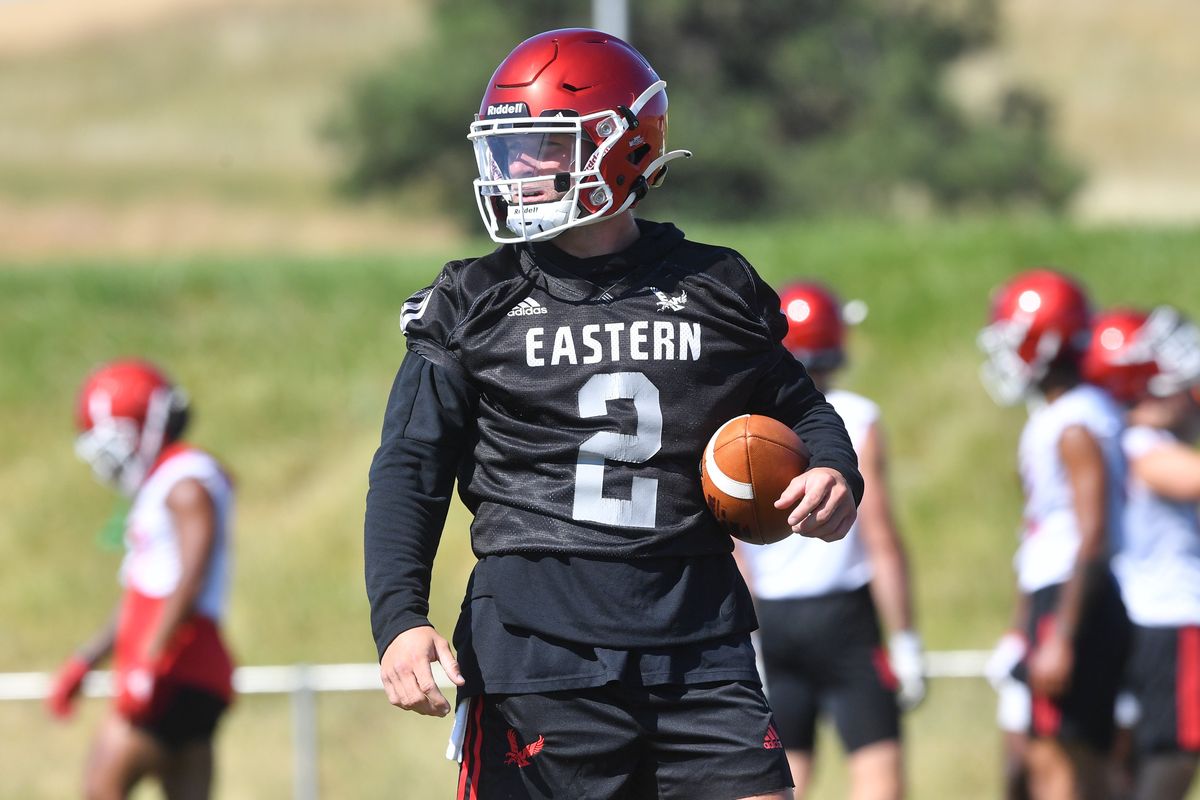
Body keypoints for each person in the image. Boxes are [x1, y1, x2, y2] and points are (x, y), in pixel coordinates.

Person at [364, 28, 863, 800]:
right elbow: (409, 469)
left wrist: (834, 470)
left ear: (621, 148)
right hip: (537, 644)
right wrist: (400, 618)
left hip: (700, 637)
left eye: (540, 145)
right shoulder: (472, 300)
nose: (516, 167)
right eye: (509, 147)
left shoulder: (716, 286)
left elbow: (803, 408)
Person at [734, 281, 924, 800]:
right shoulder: (855, 415)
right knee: (876, 773)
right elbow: (880, 535)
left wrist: (745, 636)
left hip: (771, 618)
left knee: (779, 778)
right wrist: (905, 640)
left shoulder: (744, 425)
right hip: (845, 617)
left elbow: (734, 546)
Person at [47, 359, 235, 800]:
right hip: (191, 666)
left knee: (100, 787)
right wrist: (85, 661)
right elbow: (144, 588)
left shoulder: (184, 481)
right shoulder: (165, 482)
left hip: (174, 663)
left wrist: (149, 660)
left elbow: (190, 577)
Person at [977, 269, 1132, 800]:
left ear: (1045, 338)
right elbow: (1043, 535)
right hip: (1063, 594)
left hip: (1074, 598)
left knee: (1059, 754)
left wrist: (1061, 634)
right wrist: (1024, 628)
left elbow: (1091, 534)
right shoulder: (1072, 413)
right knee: (1057, 752)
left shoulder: (1073, 422)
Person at [1084, 306, 1200, 800]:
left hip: (1140, 618)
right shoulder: (1138, 443)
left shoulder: (1116, 438)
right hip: (1168, 617)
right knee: (1173, 749)